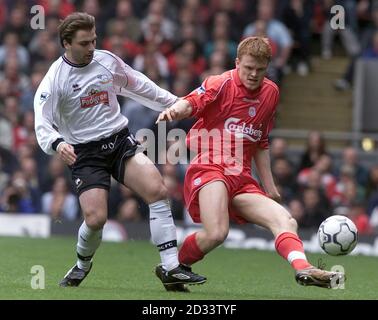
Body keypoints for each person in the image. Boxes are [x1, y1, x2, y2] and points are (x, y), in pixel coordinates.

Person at [33, 12, 206, 291]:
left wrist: (178, 103)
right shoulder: (55, 80)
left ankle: (171, 268)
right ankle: (81, 265)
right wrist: (57, 143)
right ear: (66, 43)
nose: (91, 48)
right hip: (85, 153)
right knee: (96, 218)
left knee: (158, 191)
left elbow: (140, 85)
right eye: (84, 43)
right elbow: (42, 122)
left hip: (119, 142)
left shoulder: (107, 61)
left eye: (94, 41)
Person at [156, 36, 344, 289]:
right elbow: (191, 101)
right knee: (217, 233)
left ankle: (304, 268)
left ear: (267, 67)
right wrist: (175, 111)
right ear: (237, 63)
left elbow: (261, 141)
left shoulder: (271, 93)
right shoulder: (220, 83)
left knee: (286, 220)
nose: (254, 74)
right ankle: (173, 267)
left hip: (241, 178)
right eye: (248, 68)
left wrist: (270, 186)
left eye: (260, 69)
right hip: (210, 168)